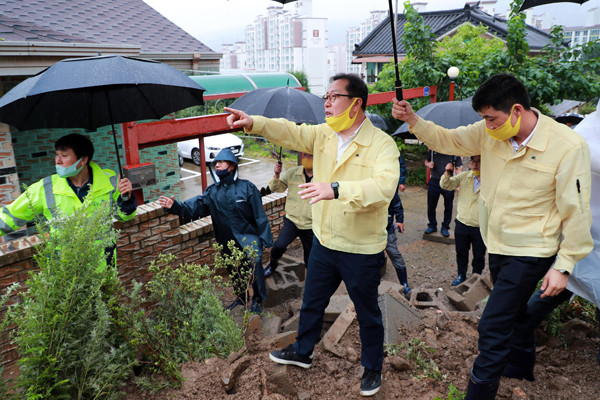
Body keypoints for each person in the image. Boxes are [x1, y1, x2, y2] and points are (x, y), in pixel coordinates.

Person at [392, 73, 592, 400]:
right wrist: (413, 120)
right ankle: (520, 365)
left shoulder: (567, 146)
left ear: (516, 110)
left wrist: (564, 264)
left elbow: (577, 209)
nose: (486, 125)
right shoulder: (490, 133)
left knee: (492, 325)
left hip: (532, 249)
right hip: (496, 243)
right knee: (511, 313)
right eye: (483, 118)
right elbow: (448, 140)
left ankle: (478, 393)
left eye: (491, 118)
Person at [225, 73, 400, 397]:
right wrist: (254, 123)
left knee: (367, 312)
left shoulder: (381, 145)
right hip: (324, 241)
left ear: (356, 103)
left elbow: (384, 187)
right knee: (312, 302)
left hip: (360, 248)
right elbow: (290, 131)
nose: (327, 103)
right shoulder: (323, 136)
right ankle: (303, 351)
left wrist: (335, 188)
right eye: (325, 97)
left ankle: (373, 367)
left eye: (334, 97)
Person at [158, 148, 273, 315]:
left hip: (249, 238)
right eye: (215, 163)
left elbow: (260, 216)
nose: (217, 164)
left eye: (221, 162)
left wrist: (265, 240)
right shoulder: (212, 192)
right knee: (235, 270)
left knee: (255, 267)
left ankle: (258, 300)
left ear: (232, 166)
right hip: (226, 240)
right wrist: (175, 207)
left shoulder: (247, 188)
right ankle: (241, 299)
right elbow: (196, 207)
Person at [0, 133, 137, 268]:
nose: (57, 160)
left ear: (83, 160)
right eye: (57, 154)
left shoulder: (111, 182)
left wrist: (127, 198)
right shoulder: (46, 188)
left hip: (102, 265)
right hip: (64, 272)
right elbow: (10, 216)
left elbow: (125, 216)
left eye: (64, 156)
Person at [265, 152, 314, 277]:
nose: (306, 159)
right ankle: (273, 264)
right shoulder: (293, 173)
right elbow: (277, 188)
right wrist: (277, 175)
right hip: (292, 220)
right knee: (279, 246)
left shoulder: (323, 176)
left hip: (311, 224)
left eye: (310, 156)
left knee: (311, 255)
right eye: (305, 156)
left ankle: (310, 278)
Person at [440, 155, 486, 286]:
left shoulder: (490, 180)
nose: (475, 164)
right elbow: (446, 185)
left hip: (480, 226)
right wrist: (447, 172)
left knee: (478, 255)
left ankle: (476, 278)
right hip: (462, 223)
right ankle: (461, 275)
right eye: (473, 161)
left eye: (479, 162)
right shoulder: (464, 176)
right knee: (461, 253)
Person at [424, 150, 462, 237]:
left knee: (448, 206)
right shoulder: (434, 149)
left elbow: (458, 167)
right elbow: (426, 161)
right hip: (434, 181)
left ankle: (445, 227)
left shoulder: (452, 150)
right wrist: (428, 164)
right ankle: (432, 225)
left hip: (448, 181)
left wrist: (458, 184)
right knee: (431, 205)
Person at [386, 190, 411, 294]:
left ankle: (404, 283)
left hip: (387, 228)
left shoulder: (388, 188)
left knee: (395, 254)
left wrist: (399, 220)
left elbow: (397, 204)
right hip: (370, 230)